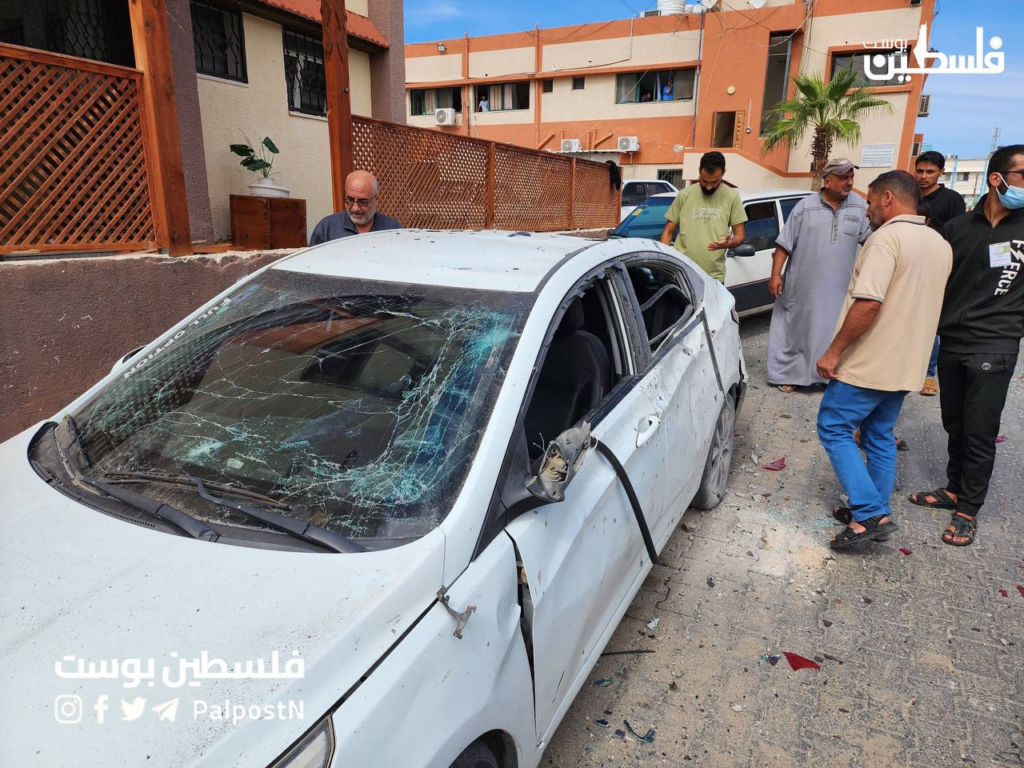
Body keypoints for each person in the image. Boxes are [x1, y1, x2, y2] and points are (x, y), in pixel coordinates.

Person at [815, 170, 952, 550]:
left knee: (833, 427)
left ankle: (870, 512)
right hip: (908, 363)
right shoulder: (939, 243)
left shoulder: (885, 239)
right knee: (878, 434)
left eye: (871, 201)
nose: (867, 210)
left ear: (888, 198)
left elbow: (868, 303)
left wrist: (833, 351)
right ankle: (873, 512)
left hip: (869, 363)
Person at [909, 144, 1024, 547]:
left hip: (996, 345)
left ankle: (968, 510)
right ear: (997, 178)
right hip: (953, 341)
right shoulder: (957, 229)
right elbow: (932, 280)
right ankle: (954, 489)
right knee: (954, 423)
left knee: (979, 430)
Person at [766, 158, 871, 392]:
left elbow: (871, 243)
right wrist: (776, 275)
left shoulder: (860, 207)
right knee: (797, 331)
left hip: (841, 287)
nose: (849, 182)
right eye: (843, 178)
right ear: (828, 180)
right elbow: (784, 244)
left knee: (834, 331)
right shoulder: (805, 207)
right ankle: (790, 375)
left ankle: (829, 377)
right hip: (803, 286)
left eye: (851, 177)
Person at [916, 150, 966, 396]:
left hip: (938, 268)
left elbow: (960, 237)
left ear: (941, 173)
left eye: (930, 172)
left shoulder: (952, 200)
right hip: (909, 265)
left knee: (933, 322)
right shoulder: (909, 195)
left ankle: (928, 373)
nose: (924, 176)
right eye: (920, 171)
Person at [659, 151, 747, 283]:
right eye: (704, 181)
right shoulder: (684, 194)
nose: (709, 187)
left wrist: (728, 243)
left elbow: (740, 235)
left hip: (713, 277)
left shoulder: (732, 197)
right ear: (699, 170)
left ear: (723, 173)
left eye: (714, 182)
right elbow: (668, 231)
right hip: (681, 273)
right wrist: (664, 263)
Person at [309, 170, 401, 245]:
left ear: (377, 200)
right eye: (350, 199)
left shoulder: (393, 229)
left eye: (363, 201)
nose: (355, 208)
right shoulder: (326, 228)